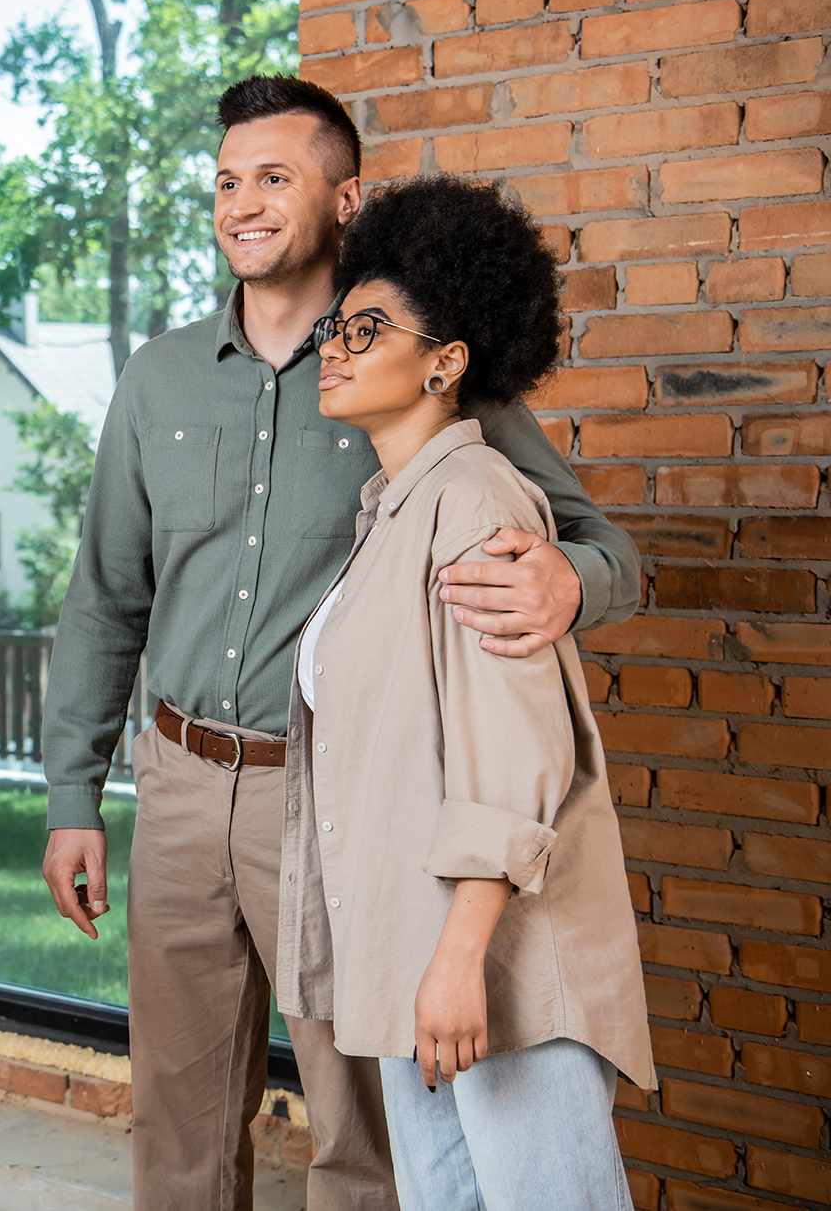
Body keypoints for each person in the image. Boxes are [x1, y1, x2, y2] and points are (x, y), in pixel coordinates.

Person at [37, 77, 642, 1211]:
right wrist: (75, 794)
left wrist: (571, 577)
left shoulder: (412, 360)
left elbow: (593, 541)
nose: (242, 202)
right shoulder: (156, 378)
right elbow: (104, 598)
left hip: (330, 802)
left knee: (361, 1116)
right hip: (174, 784)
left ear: (345, 196)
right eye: (225, 180)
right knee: (174, 1107)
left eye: (275, 176)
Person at [277, 175, 654, 1209]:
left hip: (482, 958)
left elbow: (512, 753)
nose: (337, 346)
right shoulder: (394, 507)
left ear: (446, 361)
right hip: (419, 948)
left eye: (369, 328)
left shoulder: (476, 496)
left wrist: (455, 960)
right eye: (333, 328)